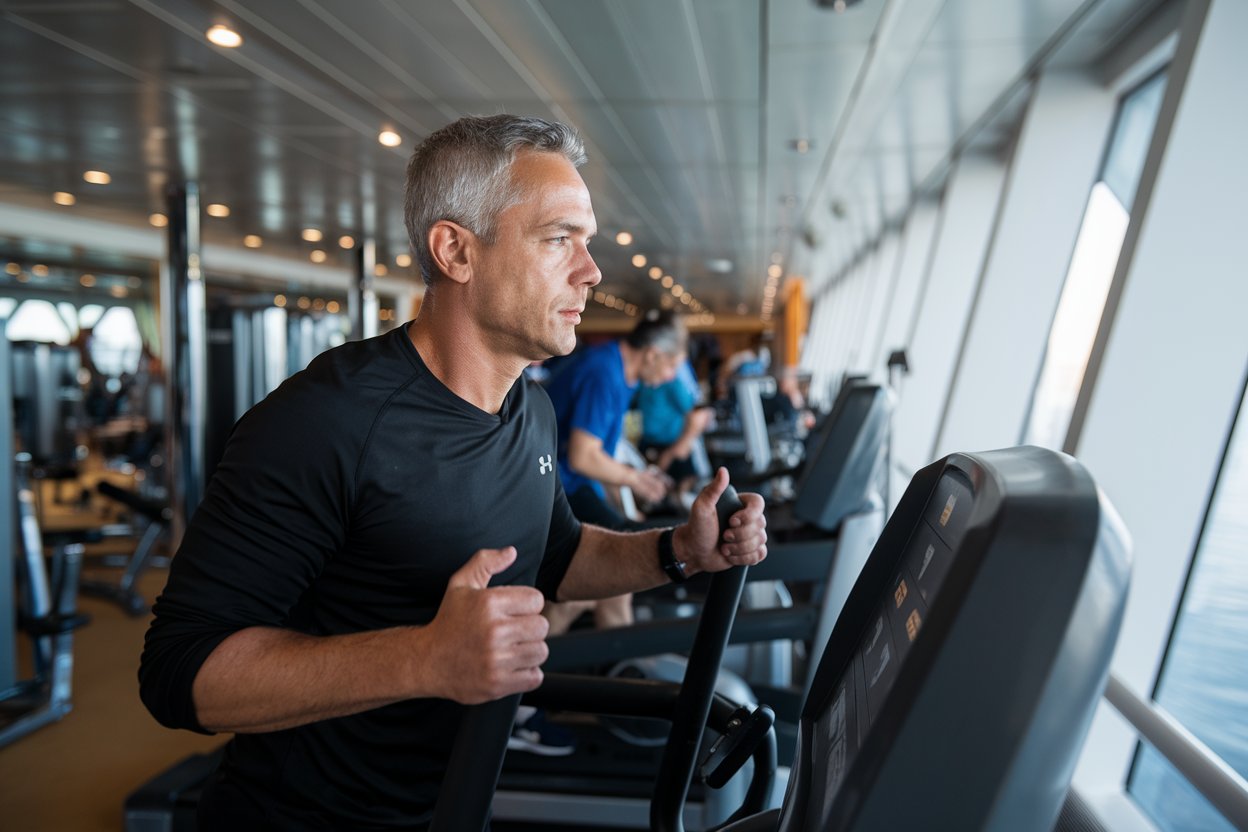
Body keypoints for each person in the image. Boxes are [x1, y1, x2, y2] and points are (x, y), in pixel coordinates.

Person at [138, 114, 767, 831]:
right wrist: (423, 660)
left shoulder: (528, 408)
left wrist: (679, 551)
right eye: (560, 239)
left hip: (455, 805)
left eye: (586, 242)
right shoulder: (328, 421)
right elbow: (178, 671)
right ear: (456, 251)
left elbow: (555, 556)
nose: (591, 270)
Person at [542, 310, 688, 632]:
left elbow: (598, 454)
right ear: (652, 355)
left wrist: (621, 505)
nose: (670, 377)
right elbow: (582, 457)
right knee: (621, 568)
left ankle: (610, 658)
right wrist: (635, 480)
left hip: (570, 485)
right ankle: (621, 664)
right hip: (550, 488)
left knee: (612, 571)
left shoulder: (621, 373)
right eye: (671, 366)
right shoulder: (604, 372)